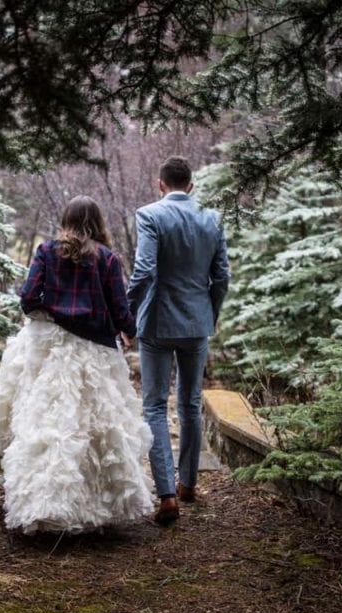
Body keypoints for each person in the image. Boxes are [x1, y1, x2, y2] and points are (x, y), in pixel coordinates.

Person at [0, 195, 154, 534]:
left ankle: (45, 507)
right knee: (95, 428)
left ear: (66, 221)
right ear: (98, 223)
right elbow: (120, 307)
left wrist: (51, 313)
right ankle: (90, 507)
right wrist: (129, 331)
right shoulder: (107, 259)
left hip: (49, 347)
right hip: (95, 351)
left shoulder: (47, 252)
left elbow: (27, 298)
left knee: (49, 426)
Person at [127, 156, 230, 526]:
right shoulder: (214, 219)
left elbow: (144, 270)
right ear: (191, 186)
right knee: (189, 403)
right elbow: (222, 277)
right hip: (197, 322)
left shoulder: (150, 215)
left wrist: (127, 311)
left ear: (160, 185)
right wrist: (209, 314)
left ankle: (167, 494)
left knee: (154, 406)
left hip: (157, 322)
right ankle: (188, 484)